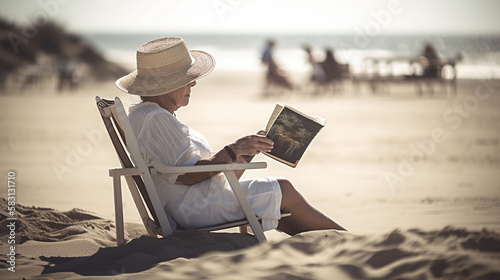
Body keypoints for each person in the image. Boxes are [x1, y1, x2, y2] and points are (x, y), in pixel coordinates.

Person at [115, 37, 345, 236]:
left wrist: (247, 151)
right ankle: (345, 242)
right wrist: (234, 149)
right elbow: (186, 175)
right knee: (282, 189)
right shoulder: (155, 117)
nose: (193, 83)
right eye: (186, 80)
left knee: (277, 204)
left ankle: (330, 243)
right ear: (166, 86)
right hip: (195, 209)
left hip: (193, 202)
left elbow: (194, 173)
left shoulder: (149, 115)